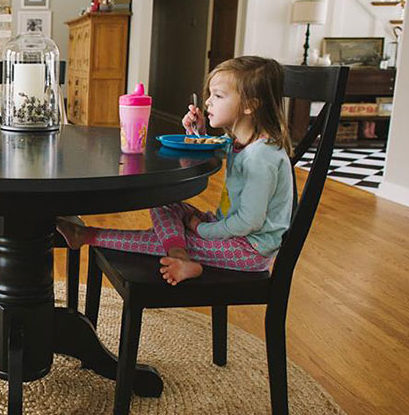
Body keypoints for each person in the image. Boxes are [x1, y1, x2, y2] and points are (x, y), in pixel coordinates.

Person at [57, 56, 294, 285]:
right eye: (210, 94)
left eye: (218, 96)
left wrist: (201, 229)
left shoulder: (261, 158)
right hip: (229, 228)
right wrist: (197, 134)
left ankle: (88, 235)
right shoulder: (239, 142)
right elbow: (211, 150)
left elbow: (248, 222)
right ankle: (179, 253)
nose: (208, 101)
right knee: (162, 202)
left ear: (250, 106)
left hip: (249, 249)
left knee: (161, 239)